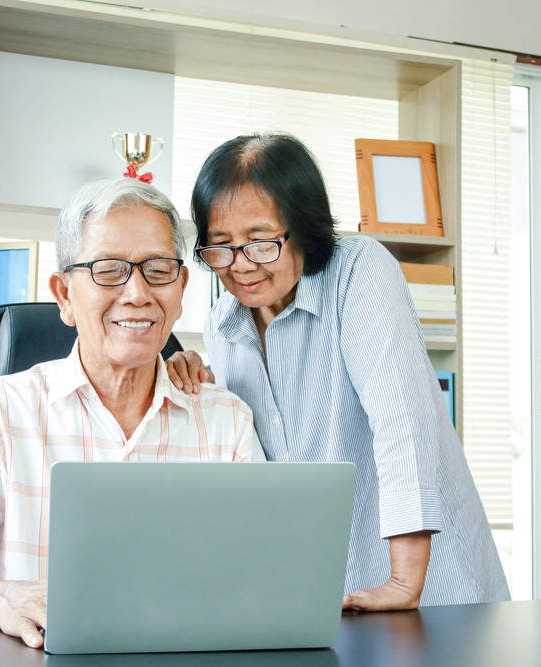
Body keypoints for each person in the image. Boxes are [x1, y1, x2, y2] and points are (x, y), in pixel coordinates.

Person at [0, 178, 265, 649]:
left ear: (181, 286)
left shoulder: (226, 420)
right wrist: (0, 599)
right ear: (64, 294)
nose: (137, 293)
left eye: (158, 269)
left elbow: (260, 580)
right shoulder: (2, 410)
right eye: (109, 270)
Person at [167, 132, 510, 611]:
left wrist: (404, 581)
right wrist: (195, 374)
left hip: (425, 582)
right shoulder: (222, 325)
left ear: (302, 226)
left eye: (261, 242)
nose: (240, 266)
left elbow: (402, 424)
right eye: (220, 246)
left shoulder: (358, 272)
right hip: (325, 591)